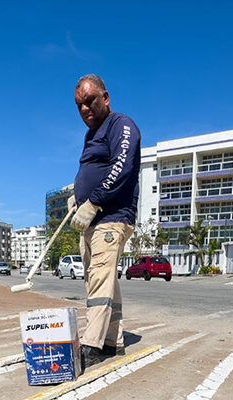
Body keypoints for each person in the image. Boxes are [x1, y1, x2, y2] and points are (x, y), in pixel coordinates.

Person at [69, 74, 141, 370]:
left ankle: (92, 344)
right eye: (79, 105)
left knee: (99, 275)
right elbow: (92, 170)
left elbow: (122, 166)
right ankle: (113, 340)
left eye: (89, 101)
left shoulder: (121, 124)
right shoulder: (91, 135)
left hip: (111, 217)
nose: (85, 109)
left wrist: (95, 199)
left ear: (105, 98)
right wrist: (77, 198)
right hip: (90, 220)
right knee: (101, 278)